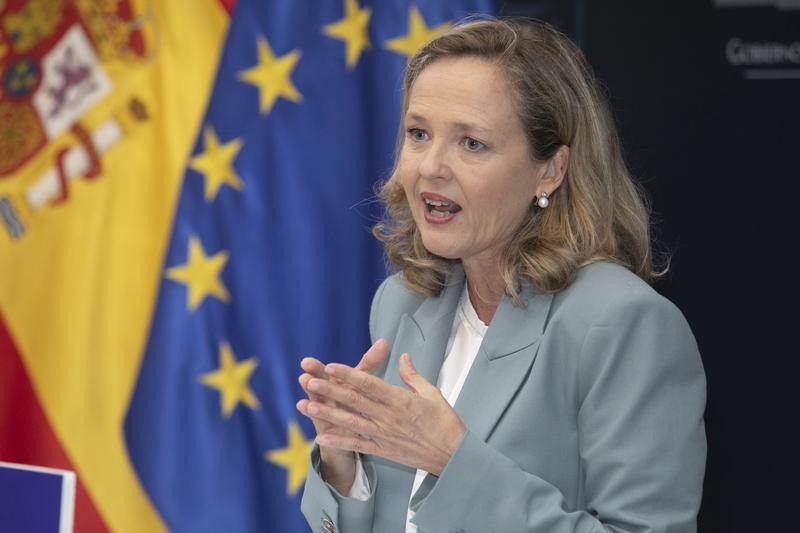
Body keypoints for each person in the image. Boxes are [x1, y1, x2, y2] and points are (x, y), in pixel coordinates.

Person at [296, 17, 706, 533]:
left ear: (550, 171)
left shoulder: (623, 324)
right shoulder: (402, 302)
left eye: (471, 143)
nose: (431, 167)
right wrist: (345, 462)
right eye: (419, 134)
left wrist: (453, 461)